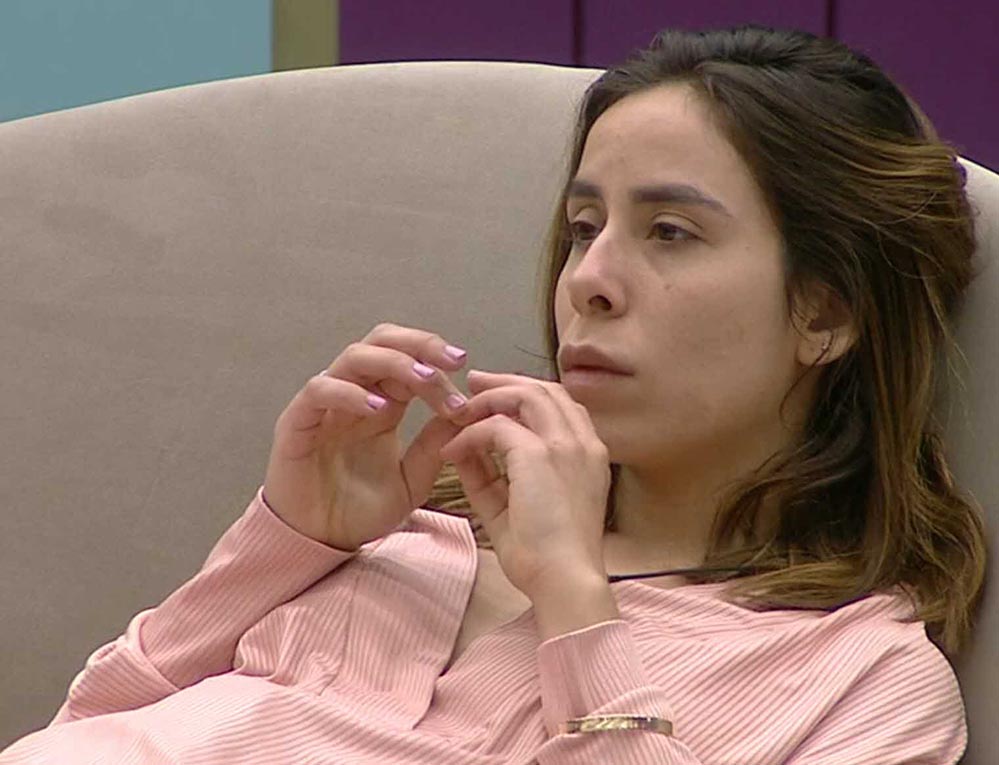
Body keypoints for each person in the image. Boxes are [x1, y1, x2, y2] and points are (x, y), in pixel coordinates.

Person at [0, 23, 986, 765]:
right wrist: (288, 540)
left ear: (826, 311)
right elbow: (85, 730)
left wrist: (575, 605)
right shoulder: (408, 541)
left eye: (670, 233)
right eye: (585, 226)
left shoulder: (859, 678)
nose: (588, 279)